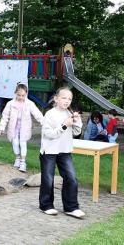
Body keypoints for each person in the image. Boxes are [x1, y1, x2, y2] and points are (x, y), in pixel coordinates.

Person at [39, 87, 85, 218]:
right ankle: (46, 205)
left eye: (69, 99)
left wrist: (77, 121)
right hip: (49, 151)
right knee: (48, 179)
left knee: (71, 178)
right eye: (64, 98)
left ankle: (71, 207)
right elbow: (49, 134)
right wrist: (64, 125)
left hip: (65, 151)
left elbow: (76, 133)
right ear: (56, 99)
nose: (67, 101)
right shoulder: (50, 114)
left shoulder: (69, 114)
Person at [0, 84, 44, 172]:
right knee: (15, 143)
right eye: (19, 95)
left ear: (26, 94)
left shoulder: (30, 104)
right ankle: (17, 158)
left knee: (23, 144)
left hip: (24, 128)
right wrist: (2, 127)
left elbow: (37, 114)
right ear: (15, 93)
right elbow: (5, 116)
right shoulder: (10, 104)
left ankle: (23, 162)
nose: (21, 97)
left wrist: (44, 123)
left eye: (23, 95)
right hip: (13, 128)